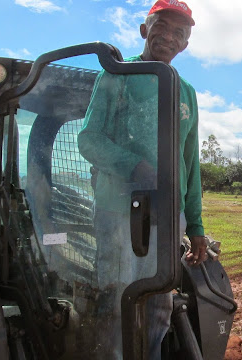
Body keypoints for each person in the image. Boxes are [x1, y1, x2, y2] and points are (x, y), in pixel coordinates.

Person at [78, 0, 206, 358]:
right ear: (144, 29)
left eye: (178, 33)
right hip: (122, 212)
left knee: (158, 304)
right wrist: (134, 166)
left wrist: (194, 224)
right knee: (120, 296)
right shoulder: (117, 75)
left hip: (167, 217)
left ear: (185, 44)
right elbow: (89, 139)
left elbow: (189, 162)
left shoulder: (187, 93)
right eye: (162, 26)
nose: (168, 37)